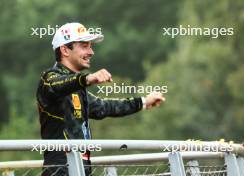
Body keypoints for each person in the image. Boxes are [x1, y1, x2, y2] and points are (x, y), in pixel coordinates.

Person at [36, 22, 165, 176]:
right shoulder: (49, 78)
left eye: (90, 46)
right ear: (65, 50)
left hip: (81, 170)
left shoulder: (78, 89)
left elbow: (105, 107)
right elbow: (57, 85)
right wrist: (88, 79)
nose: (91, 52)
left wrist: (143, 101)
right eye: (84, 46)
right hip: (59, 172)